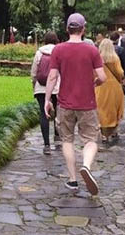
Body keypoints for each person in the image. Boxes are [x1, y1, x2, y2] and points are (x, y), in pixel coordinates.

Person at [45, 13, 106, 195]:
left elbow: (52, 77)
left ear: (67, 29)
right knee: (90, 140)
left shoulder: (58, 50)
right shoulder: (92, 50)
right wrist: (95, 82)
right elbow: (102, 77)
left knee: (67, 140)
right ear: (83, 29)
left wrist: (47, 100)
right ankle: (86, 165)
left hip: (65, 103)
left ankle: (72, 180)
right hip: (87, 103)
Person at [32, 31, 61, 155]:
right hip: (56, 87)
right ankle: (57, 136)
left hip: (41, 88)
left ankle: (46, 145)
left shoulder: (39, 53)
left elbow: (34, 72)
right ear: (56, 40)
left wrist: (34, 85)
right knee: (58, 113)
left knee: (44, 114)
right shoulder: (59, 51)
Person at [95, 39, 125, 145]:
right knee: (114, 109)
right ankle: (113, 131)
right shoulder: (115, 58)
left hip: (100, 86)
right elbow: (120, 72)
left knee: (101, 109)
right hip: (114, 87)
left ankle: (103, 134)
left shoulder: (97, 58)